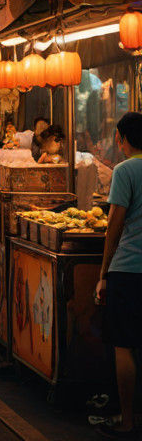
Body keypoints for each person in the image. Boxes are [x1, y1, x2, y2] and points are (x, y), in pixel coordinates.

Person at [95, 111, 142, 438]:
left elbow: (114, 225)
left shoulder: (125, 170)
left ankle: (127, 420)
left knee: (124, 346)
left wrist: (103, 273)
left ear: (120, 139)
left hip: (128, 269)